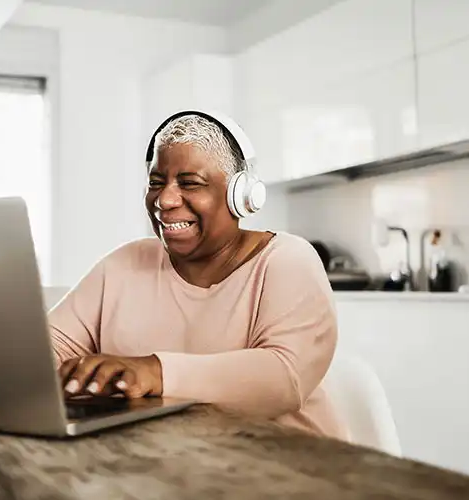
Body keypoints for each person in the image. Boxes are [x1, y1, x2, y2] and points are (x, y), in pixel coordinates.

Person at [47, 110, 348, 440]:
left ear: (241, 196)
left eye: (190, 183)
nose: (165, 199)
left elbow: (283, 379)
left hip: (291, 470)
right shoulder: (124, 264)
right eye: (156, 183)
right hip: (169, 466)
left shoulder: (287, 260)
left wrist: (155, 371)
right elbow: (44, 348)